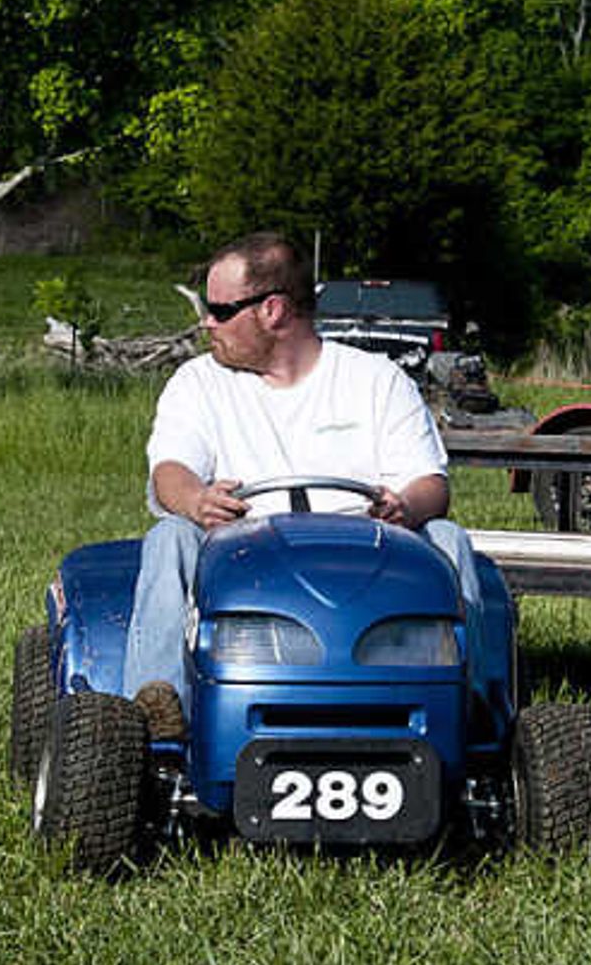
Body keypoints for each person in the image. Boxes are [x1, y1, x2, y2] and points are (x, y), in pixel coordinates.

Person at [122, 230, 505, 731]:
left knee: (447, 540)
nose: (205, 323)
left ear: (273, 311)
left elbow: (430, 482)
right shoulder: (199, 383)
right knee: (170, 536)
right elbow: (170, 470)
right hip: (242, 552)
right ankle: (158, 708)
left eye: (219, 310)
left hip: (365, 551)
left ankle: (473, 704)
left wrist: (406, 506)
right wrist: (197, 500)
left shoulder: (376, 381)